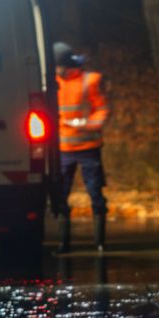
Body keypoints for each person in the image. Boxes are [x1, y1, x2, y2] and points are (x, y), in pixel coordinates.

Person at [53, 42, 109, 253]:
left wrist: (85, 125)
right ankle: (64, 243)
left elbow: (102, 110)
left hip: (88, 147)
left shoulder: (90, 80)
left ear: (65, 65)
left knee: (95, 193)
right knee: (59, 195)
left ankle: (100, 243)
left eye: (56, 66)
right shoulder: (51, 82)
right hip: (62, 149)